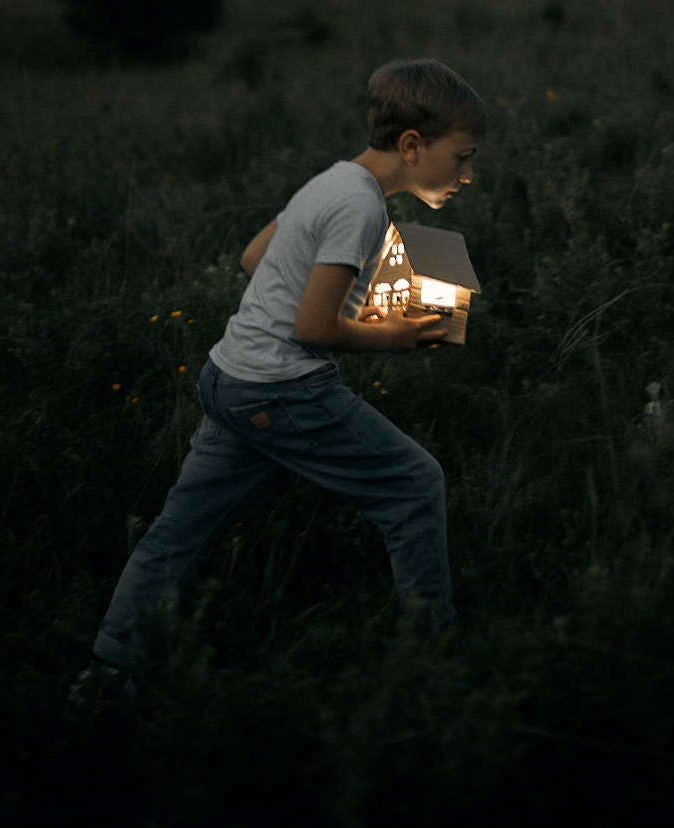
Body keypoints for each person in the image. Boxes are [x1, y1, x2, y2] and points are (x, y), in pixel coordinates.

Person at [72, 58, 485, 702]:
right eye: (461, 157)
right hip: (284, 392)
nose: (466, 174)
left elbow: (254, 257)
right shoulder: (360, 208)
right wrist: (396, 335)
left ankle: (105, 674)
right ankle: (432, 666)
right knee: (414, 484)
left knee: (178, 532)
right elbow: (313, 328)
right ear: (412, 145)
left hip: (229, 377)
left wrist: (357, 290)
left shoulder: (332, 182)